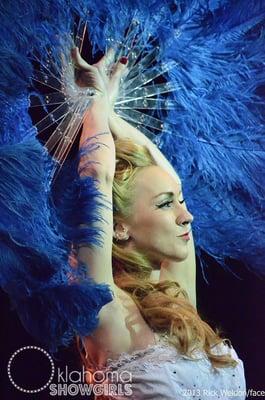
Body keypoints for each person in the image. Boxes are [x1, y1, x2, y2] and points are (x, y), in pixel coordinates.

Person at [71, 48, 246, 400]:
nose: (187, 215)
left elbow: (171, 176)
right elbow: (96, 176)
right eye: (166, 204)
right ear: (118, 227)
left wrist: (112, 110)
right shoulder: (107, 313)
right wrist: (94, 102)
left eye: (179, 202)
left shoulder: (177, 300)